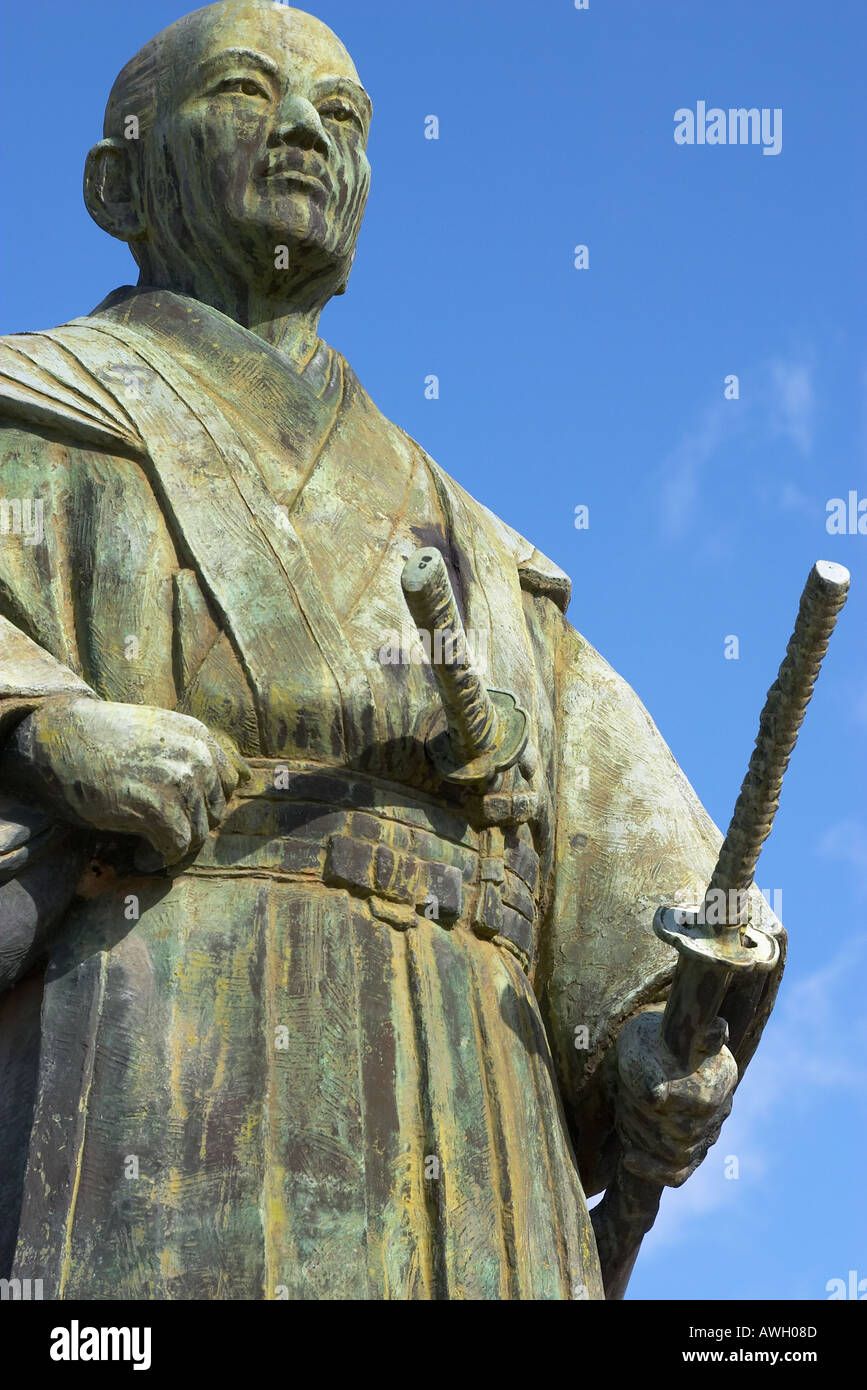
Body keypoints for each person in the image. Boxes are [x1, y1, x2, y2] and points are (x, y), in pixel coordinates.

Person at [0, 1, 782, 1299]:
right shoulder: (30, 424)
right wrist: (39, 724)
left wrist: (651, 1047)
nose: (306, 129)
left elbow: (636, 900)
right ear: (117, 180)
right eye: (247, 94)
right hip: (163, 1089)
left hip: (486, 1138)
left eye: (344, 116)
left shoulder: (488, 554)